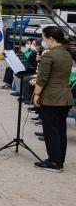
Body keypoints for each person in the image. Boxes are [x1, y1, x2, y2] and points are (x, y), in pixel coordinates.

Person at [32, 26, 73, 172]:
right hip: (65, 97)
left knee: (51, 131)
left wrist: (36, 94)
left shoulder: (49, 55)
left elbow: (42, 78)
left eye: (44, 38)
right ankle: (58, 160)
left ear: (51, 38)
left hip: (52, 98)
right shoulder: (66, 54)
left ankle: (54, 162)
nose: (43, 41)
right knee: (60, 130)